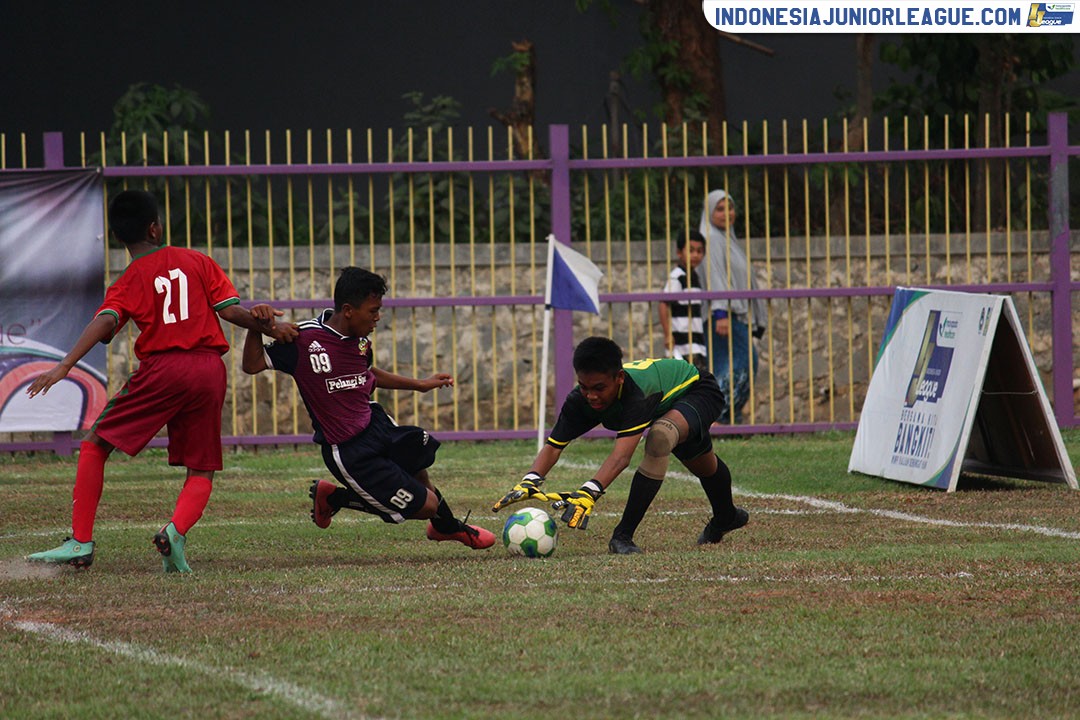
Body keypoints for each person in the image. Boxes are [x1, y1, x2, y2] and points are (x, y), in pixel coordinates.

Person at [25, 189, 295, 573]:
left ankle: (81, 541)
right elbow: (231, 312)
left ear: (118, 237)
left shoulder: (129, 280)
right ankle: (175, 532)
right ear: (156, 228)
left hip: (163, 370)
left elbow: (105, 322)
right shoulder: (197, 261)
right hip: (208, 371)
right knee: (201, 467)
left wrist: (65, 365)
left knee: (95, 444)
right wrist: (272, 327)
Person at [241, 266, 496, 551]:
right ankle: (335, 498)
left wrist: (420, 384)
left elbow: (368, 373)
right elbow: (252, 364)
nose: (378, 317)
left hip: (376, 424)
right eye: (373, 311)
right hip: (350, 450)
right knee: (426, 505)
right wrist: (256, 325)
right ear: (348, 310)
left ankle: (447, 528)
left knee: (417, 460)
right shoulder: (304, 340)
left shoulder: (361, 341)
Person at [492, 336, 748, 555]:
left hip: (697, 390)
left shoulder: (637, 394)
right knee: (704, 465)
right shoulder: (579, 400)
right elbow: (554, 445)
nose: (591, 395)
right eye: (584, 387)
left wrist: (589, 492)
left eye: (599, 388)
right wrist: (529, 480)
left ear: (620, 378)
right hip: (665, 404)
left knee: (660, 438)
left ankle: (622, 536)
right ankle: (727, 516)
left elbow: (621, 457)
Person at [700, 189, 767, 424]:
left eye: (729, 208)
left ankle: (728, 418)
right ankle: (716, 416)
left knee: (732, 365)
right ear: (709, 211)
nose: (727, 213)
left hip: (732, 315)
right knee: (742, 362)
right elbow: (714, 276)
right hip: (721, 316)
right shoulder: (710, 238)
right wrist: (720, 312)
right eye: (719, 209)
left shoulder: (727, 239)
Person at [658, 230, 708, 374]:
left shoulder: (694, 276)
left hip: (695, 342)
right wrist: (668, 334)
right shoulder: (677, 276)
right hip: (682, 344)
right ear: (679, 253)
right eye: (691, 250)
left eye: (699, 251)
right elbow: (663, 304)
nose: (695, 255)